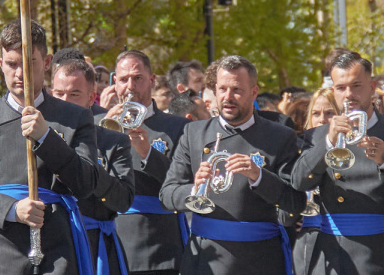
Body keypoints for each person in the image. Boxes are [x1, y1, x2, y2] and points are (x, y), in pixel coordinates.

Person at [0, 20, 99, 275]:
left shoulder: (76, 117)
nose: (20, 73)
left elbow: (86, 183)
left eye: (29, 63)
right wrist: (11, 210)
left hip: (56, 249)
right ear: (0, 64)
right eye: (12, 64)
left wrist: (47, 138)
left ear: (47, 62)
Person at [159, 55, 304, 274]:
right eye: (222, 89)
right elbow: (167, 194)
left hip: (258, 260)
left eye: (237, 90)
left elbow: (295, 202)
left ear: (253, 92)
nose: (228, 97)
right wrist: (195, 189)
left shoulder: (280, 136)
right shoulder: (194, 132)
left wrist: (260, 177)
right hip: (206, 259)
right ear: (215, 91)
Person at [292, 51, 384, 275]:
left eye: (356, 86)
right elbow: (299, 182)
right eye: (341, 88)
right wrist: (328, 141)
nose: (348, 94)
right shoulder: (318, 135)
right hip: (337, 252)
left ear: (372, 87)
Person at [97, 50, 189, 275]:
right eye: (123, 79)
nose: (130, 86)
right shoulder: (96, 125)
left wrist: (147, 152)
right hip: (110, 236)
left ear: (152, 80)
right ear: (115, 82)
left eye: (137, 78)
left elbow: (183, 182)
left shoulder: (178, 127)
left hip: (158, 244)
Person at [52, 57, 135, 275]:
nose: (65, 101)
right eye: (59, 94)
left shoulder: (113, 141)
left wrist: (88, 171)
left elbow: (123, 200)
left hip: (93, 248)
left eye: (74, 94)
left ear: (91, 97)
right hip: (51, 250)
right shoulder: (36, 138)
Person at [293, 88, 339, 275]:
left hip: (339, 236)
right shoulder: (296, 148)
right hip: (303, 237)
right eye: (316, 113)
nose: (322, 119)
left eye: (330, 113)